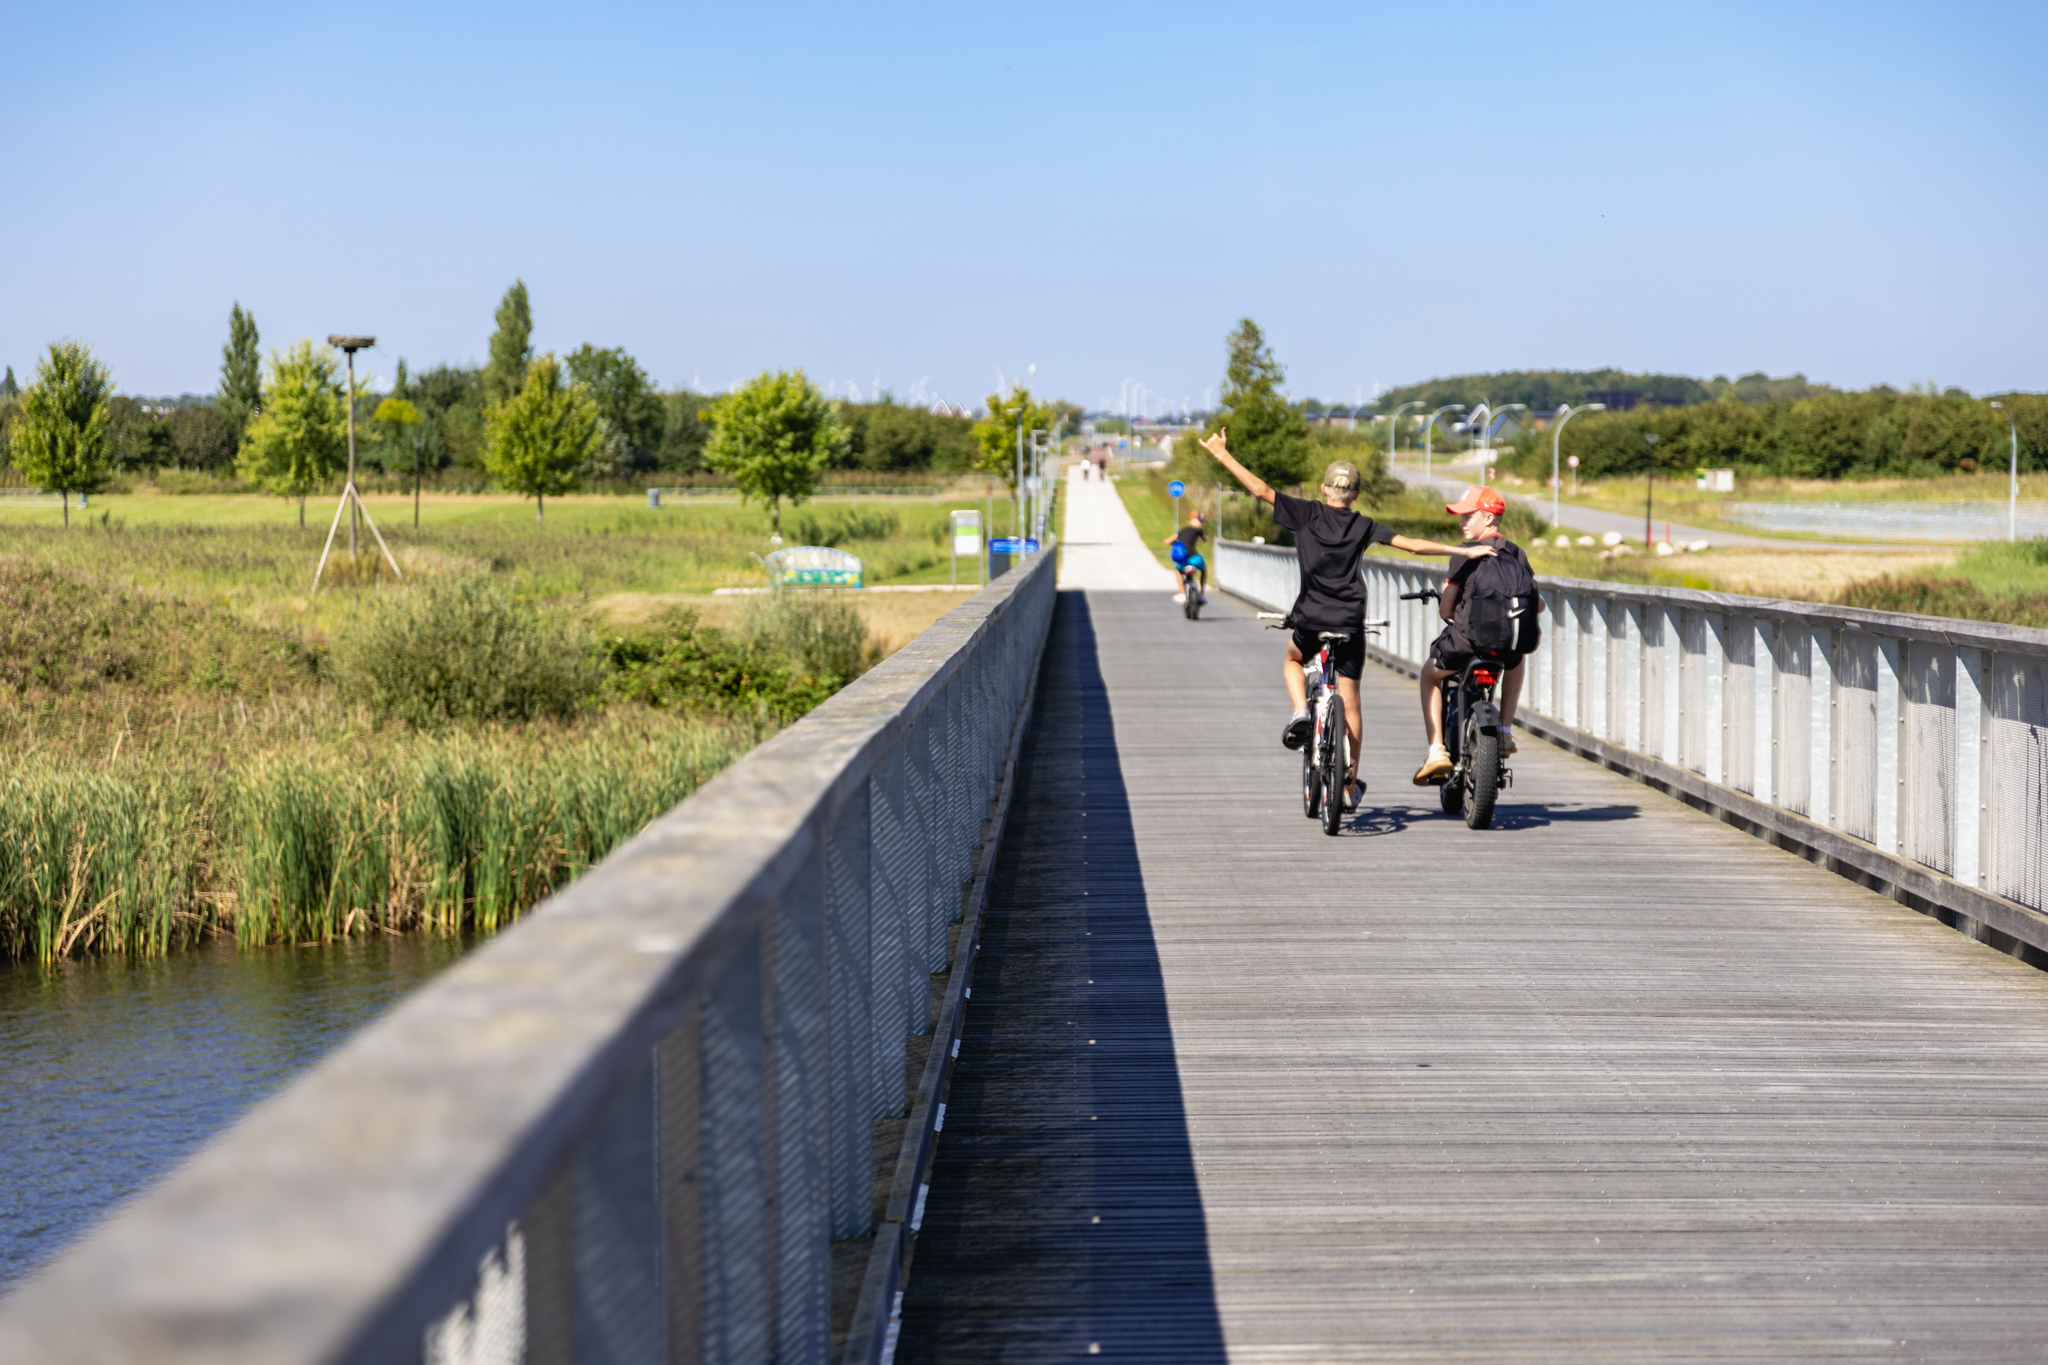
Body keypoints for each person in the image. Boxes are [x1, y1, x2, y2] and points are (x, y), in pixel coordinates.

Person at [1200, 430, 1493, 810]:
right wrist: (1463, 552)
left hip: (1311, 615)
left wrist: (1223, 455)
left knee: (1292, 659)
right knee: (1350, 700)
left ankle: (1302, 712)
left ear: (1324, 489)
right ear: (1355, 494)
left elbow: (1260, 489)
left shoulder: (1305, 514)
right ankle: (1349, 782)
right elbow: (1414, 545)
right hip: (1351, 621)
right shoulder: (1363, 525)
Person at [1414, 484, 1543, 784]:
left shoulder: (1464, 553)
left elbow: (1446, 609)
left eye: (1467, 516)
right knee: (1517, 658)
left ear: (1487, 518)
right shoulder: (1517, 553)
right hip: (1506, 648)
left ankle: (1436, 751)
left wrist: (1453, 610)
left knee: (1429, 675)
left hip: (1466, 643)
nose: (1462, 523)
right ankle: (1505, 731)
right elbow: (1537, 603)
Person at [1165, 510, 1207, 603]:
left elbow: (1168, 541)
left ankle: (1182, 593)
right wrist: (1203, 539)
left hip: (1183, 560)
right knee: (1204, 570)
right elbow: (1203, 539)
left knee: (1177, 570)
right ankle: (1202, 594)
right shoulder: (1198, 530)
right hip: (1195, 559)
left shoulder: (1183, 530)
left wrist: (1168, 541)